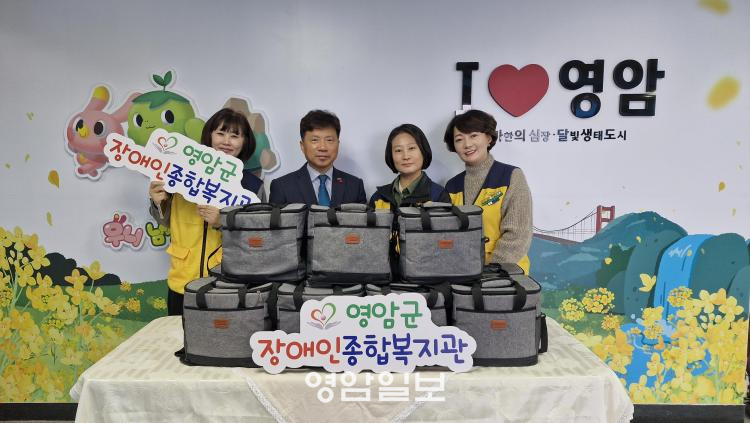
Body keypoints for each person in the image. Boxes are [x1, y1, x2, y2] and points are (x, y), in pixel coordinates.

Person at [148, 108, 266, 315]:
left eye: (235, 136)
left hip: (229, 284)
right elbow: (166, 221)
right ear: (209, 136)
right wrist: (158, 203)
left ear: (245, 142)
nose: (226, 141)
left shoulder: (252, 186)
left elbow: (259, 238)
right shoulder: (180, 175)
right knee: (179, 333)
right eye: (220, 133)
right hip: (183, 281)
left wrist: (223, 221)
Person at [443, 109, 533, 273]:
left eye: (473, 135)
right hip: (463, 274)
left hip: (507, 276)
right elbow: (448, 236)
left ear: (489, 138)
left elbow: (518, 235)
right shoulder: (452, 186)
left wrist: (491, 273)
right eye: (459, 139)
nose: (467, 144)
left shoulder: (511, 176)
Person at [269, 110, 366, 206]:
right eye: (315, 140)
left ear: (338, 144)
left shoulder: (355, 186)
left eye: (329, 140)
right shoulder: (282, 187)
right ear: (302, 146)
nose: (323, 147)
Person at [369, 123, 450, 209]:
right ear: (390, 155)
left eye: (411, 148)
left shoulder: (438, 195)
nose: (406, 156)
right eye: (398, 150)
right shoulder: (378, 197)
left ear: (423, 151)